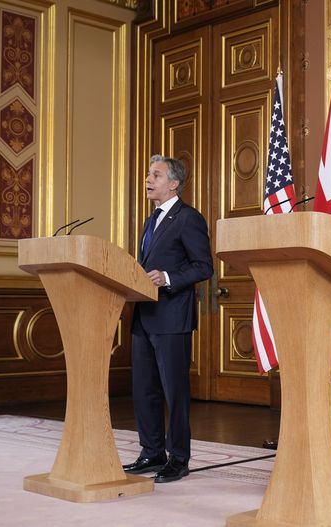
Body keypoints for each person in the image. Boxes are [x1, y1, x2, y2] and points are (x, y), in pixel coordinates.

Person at [122, 155, 213, 483]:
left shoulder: (188, 218)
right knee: (144, 389)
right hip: (144, 316)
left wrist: (169, 277)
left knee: (174, 392)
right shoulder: (151, 220)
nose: (148, 179)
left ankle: (178, 457)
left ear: (174, 183)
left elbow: (204, 266)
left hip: (172, 318)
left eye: (156, 175)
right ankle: (152, 452)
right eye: (149, 174)